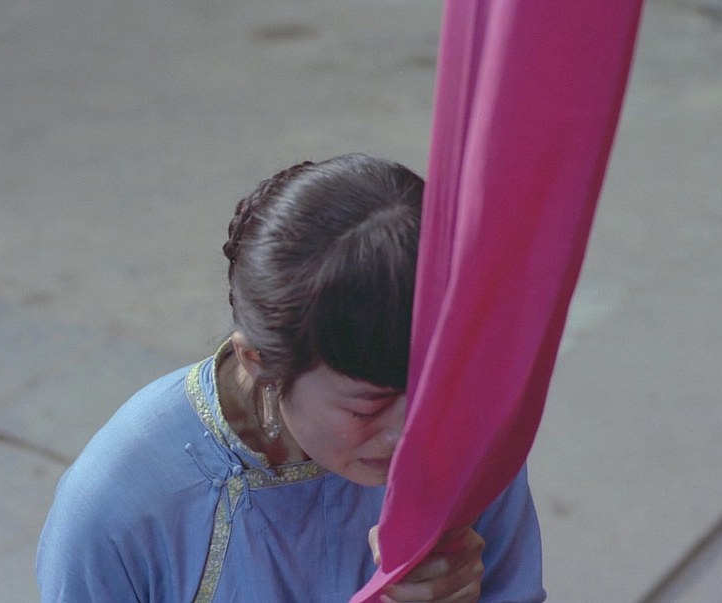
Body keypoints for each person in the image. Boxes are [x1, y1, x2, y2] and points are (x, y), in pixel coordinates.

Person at [36, 153, 546, 602]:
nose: (411, 435)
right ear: (259, 361)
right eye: (367, 407)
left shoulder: (465, 434)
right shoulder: (120, 506)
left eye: (437, 390)